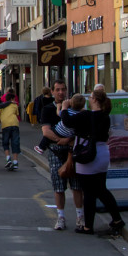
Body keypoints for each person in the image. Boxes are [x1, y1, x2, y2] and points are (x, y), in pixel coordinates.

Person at [62, 89, 125, 235]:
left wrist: (65, 108)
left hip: (87, 154)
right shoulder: (105, 116)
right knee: (101, 189)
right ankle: (116, 218)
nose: (89, 99)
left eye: (90, 97)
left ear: (95, 100)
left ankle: (88, 226)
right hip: (102, 153)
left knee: (89, 192)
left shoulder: (86, 115)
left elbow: (67, 122)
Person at [41, 80, 85, 231]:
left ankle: (80, 217)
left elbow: (81, 128)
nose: (61, 92)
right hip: (56, 151)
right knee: (58, 187)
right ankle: (61, 217)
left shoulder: (75, 107)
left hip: (73, 152)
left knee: (77, 186)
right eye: (57, 90)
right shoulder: (47, 109)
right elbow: (46, 131)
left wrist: (69, 140)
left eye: (63, 89)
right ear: (52, 92)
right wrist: (61, 140)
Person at [0, 89, 23, 171]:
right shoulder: (14, 105)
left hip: (5, 125)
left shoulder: (1, 106)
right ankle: (15, 162)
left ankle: (8, 159)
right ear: (12, 99)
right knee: (15, 142)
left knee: (5, 142)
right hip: (15, 124)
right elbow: (16, 114)